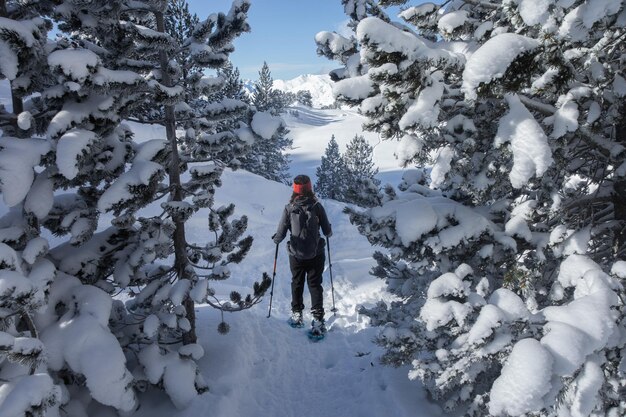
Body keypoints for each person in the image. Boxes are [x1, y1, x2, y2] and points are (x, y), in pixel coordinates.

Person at [273, 174, 332, 336]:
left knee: (297, 282)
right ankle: (318, 320)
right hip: (316, 254)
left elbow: (281, 233)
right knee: (314, 284)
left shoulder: (289, 208)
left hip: (296, 254)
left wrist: (276, 239)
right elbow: (327, 231)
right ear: (310, 188)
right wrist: (328, 229)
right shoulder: (317, 206)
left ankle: (297, 315)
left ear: (295, 190)